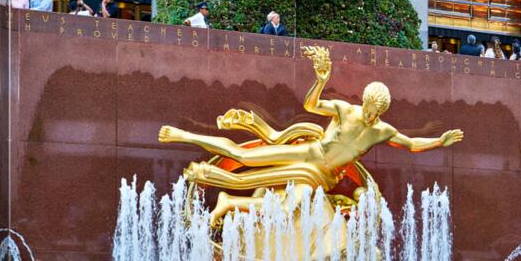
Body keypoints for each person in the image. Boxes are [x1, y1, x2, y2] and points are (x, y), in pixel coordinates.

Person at [158, 45, 464, 226]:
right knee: (242, 156)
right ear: (365, 101)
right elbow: (311, 105)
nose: (372, 116)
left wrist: (439, 141)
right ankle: (183, 135)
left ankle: (227, 202)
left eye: (377, 113)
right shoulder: (346, 110)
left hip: (321, 178)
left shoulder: (381, 131)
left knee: (289, 207)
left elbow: (411, 145)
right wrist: (320, 80)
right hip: (307, 154)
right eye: (370, 109)